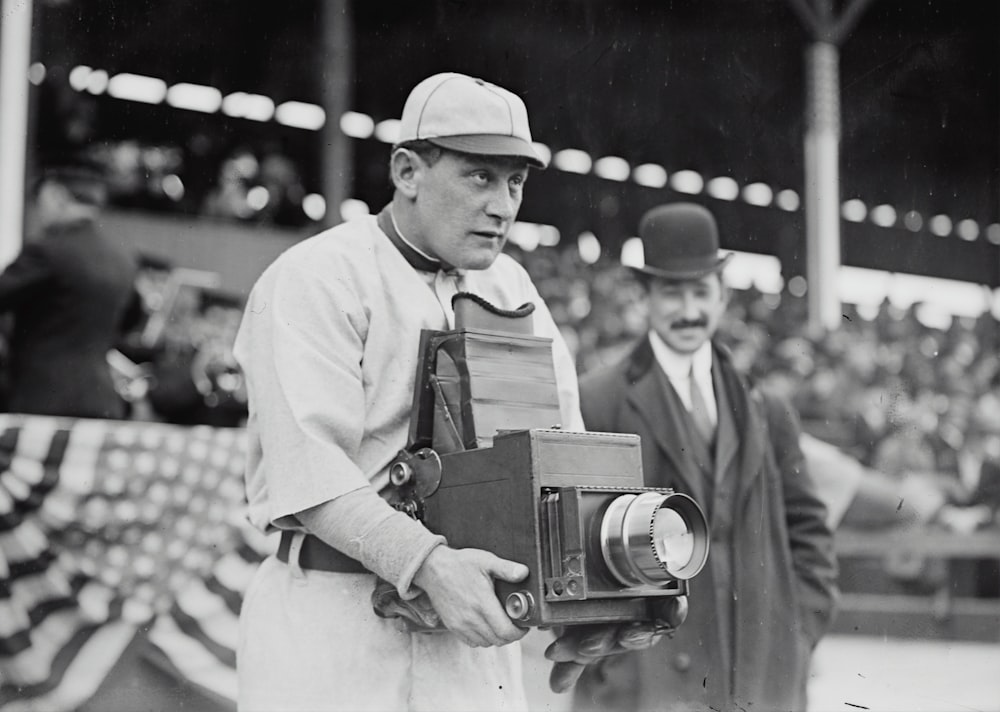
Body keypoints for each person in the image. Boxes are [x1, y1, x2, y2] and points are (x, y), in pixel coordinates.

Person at [233, 72, 655, 712]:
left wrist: (593, 600)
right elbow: (309, 474)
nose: (503, 205)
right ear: (407, 171)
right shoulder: (316, 276)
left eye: (515, 182)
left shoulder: (514, 288)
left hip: (470, 642)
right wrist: (428, 564)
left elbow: (563, 455)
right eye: (480, 176)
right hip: (334, 621)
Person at [572, 203, 839, 712]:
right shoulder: (598, 399)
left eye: (700, 292)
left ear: (723, 297)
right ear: (643, 297)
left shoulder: (765, 406)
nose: (688, 310)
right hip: (647, 683)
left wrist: (798, 633)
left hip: (760, 674)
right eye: (671, 292)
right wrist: (611, 660)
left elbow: (809, 531)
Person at [0, 154, 138, 419]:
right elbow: (131, 319)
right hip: (102, 401)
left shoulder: (48, 249)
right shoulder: (123, 258)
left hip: (43, 400)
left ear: (56, 195)